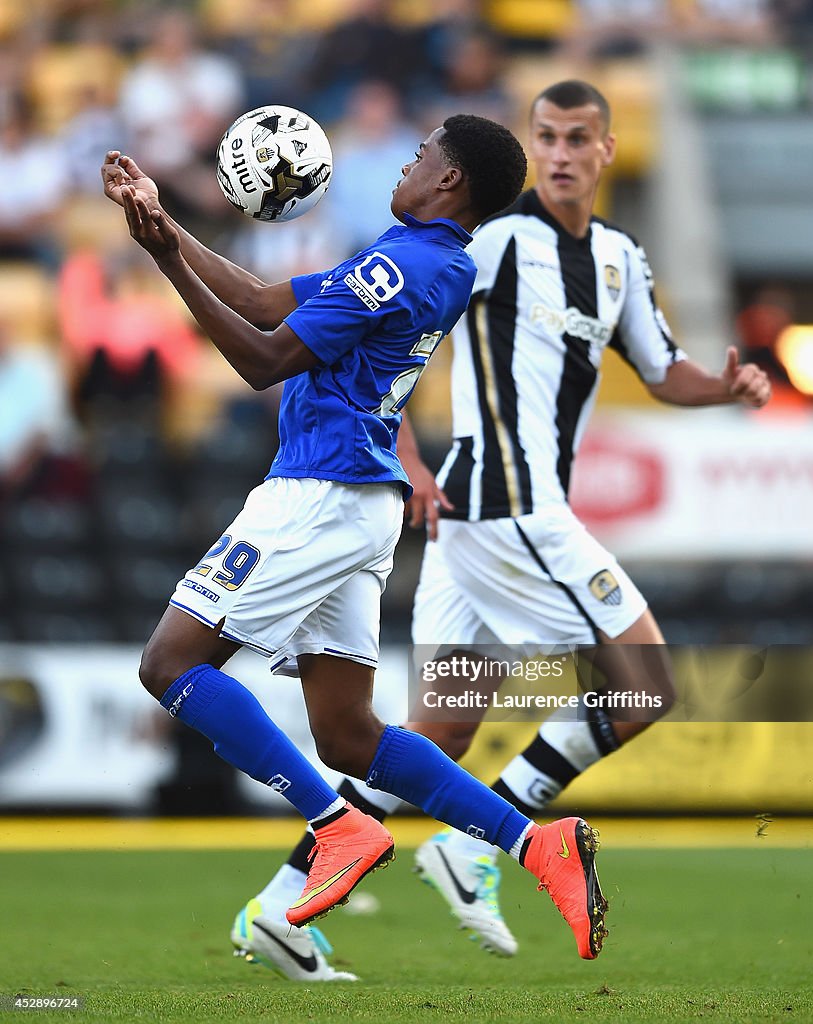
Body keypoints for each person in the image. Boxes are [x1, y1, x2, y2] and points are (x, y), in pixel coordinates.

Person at [235, 80, 772, 981]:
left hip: (474, 529)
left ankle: (280, 908)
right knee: (644, 682)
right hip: (504, 504)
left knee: (431, 734)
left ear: (608, 152)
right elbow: (385, 330)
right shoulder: (489, 241)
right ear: (532, 146)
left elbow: (662, 367)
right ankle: (483, 839)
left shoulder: (619, 259)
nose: (561, 153)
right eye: (547, 137)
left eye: (579, 139)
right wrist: (397, 446)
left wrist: (727, 386)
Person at [100, 112, 609, 981]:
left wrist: (161, 261)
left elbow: (264, 357)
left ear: (449, 181)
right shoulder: (429, 258)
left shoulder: (402, 261)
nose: (405, 165)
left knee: (169, 664)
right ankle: (534, 843)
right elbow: (265, 300)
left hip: (318, 491)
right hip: (359, 496)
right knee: (349, 733)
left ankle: (335, 826)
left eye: (420, 156)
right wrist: (165, 223)